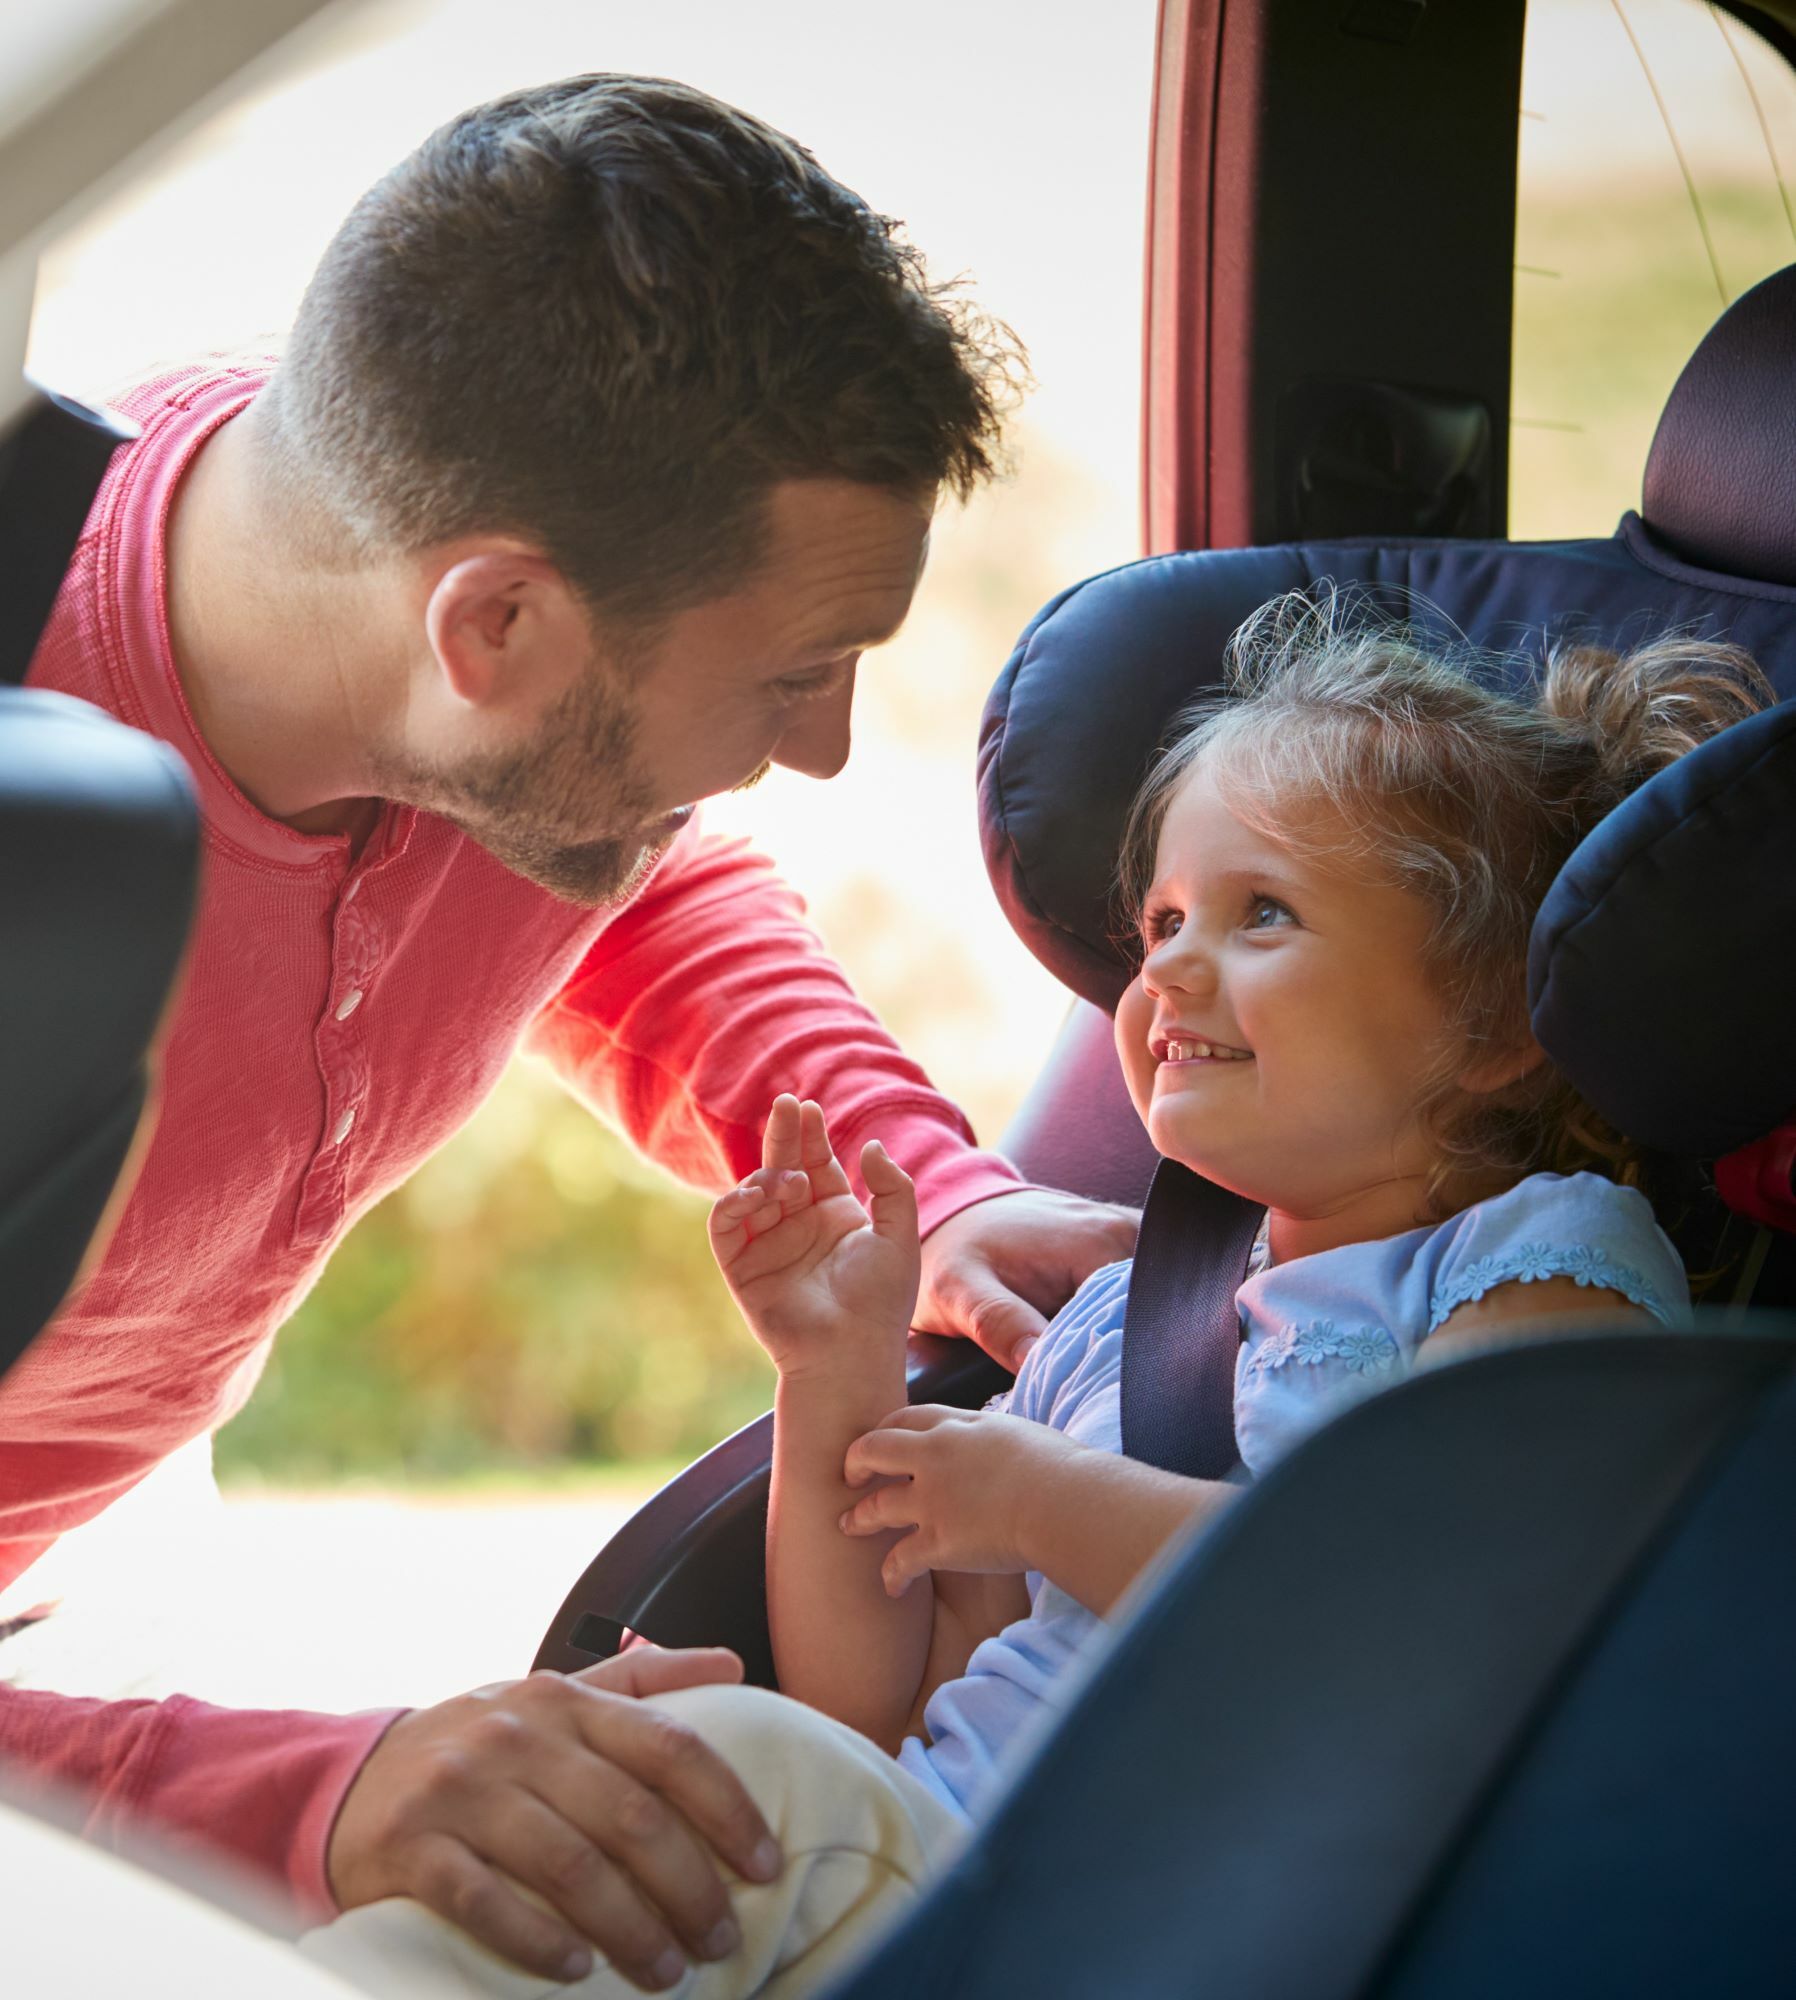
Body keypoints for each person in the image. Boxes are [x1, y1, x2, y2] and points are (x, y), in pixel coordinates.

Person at [0, 71, 1140, 1991]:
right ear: (495, 628)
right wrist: (310, 1790)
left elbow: (633, 882)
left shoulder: (492, 716)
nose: (827, 748)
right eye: (793, 674)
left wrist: (916, 1180)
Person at [303, 590, 1764, 1995]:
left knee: (719, 1787)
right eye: (1163, 925)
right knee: (619, 1782)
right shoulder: (1120, 1322)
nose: (1173, 972)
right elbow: (879, 1702)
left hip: (1173, 1914)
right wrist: (838, 1379)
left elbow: (1451, 1623)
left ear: (1499, 1019)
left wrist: (1041, 1498)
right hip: (930, 1875)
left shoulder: (1535, 1259)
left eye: (1263, 916)